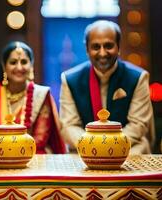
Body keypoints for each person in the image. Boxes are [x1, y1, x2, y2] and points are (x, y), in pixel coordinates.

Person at [59, 20, 155, 154]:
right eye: (96, 47)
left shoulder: (138, 77)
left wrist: (109, 146)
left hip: (127, 147)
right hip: (86, 149)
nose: (103, 53)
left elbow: (138, 126)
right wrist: (95, 146)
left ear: (119, 47)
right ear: (87, 49)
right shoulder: (69, 80)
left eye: (108, 46)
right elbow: (69, 126)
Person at [0, 41, 66, 154]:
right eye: (13, 62)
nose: (19, 67)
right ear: (4, 67)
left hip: (32, 156)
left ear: (31, 66)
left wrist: (14, 152)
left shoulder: (40, 95)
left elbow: (40, 140)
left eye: (24, 62)